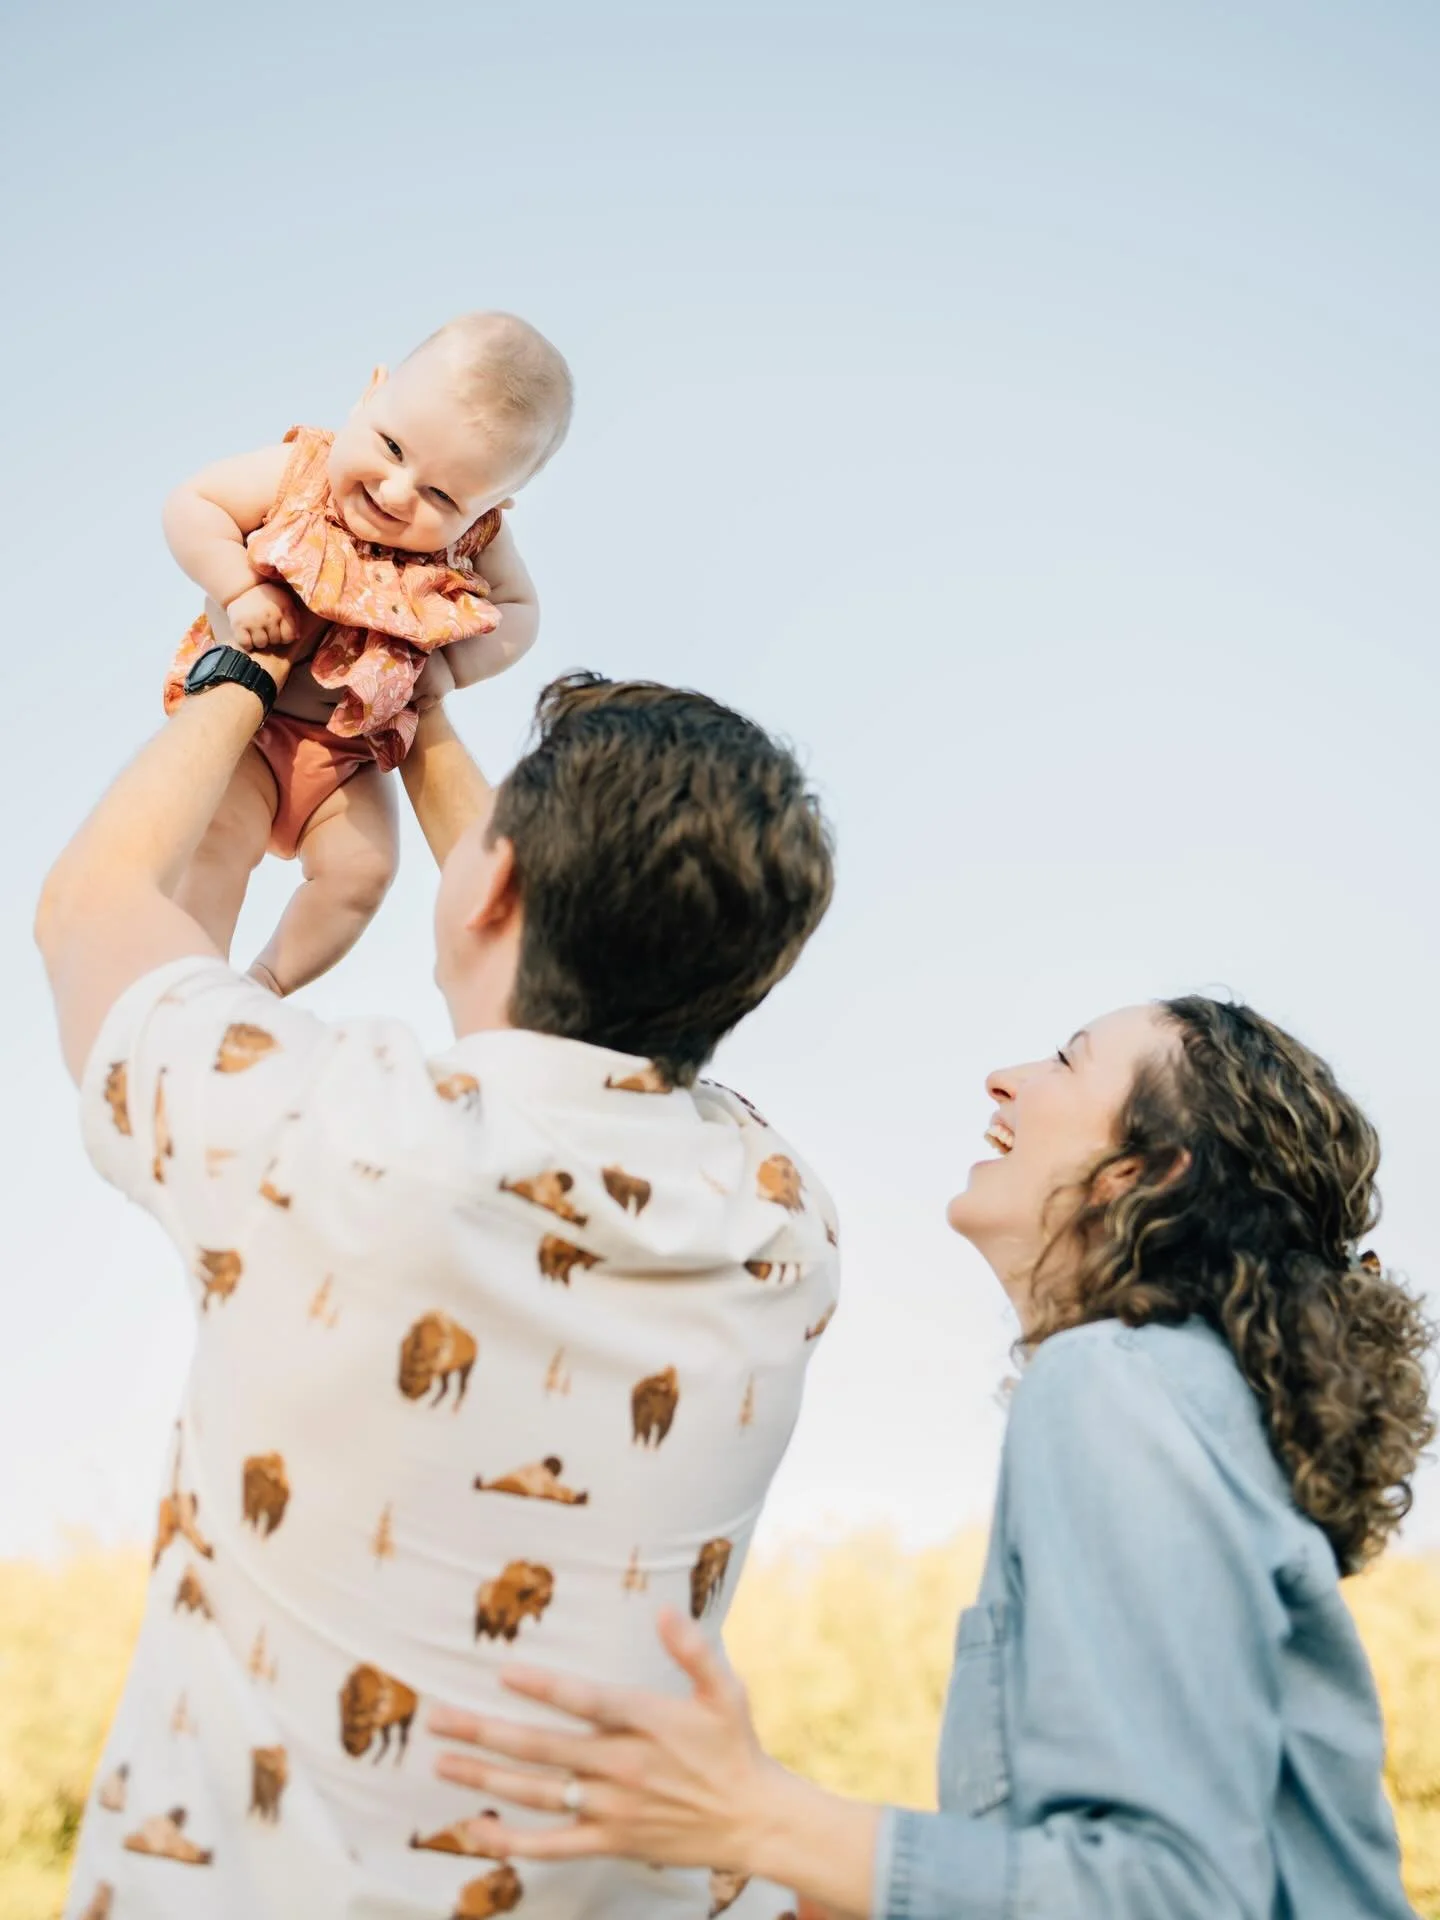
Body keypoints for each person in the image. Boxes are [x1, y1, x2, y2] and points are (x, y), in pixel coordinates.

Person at [35, 627, 837, 1920]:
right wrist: (418, 726)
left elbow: (89, 913)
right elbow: (565, 1007)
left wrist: (239, 672)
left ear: (491, 888)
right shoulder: (777, 1218)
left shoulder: (337, 1134)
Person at [428, 1001, 1436, 1919]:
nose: (1004, 1078)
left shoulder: (1114, 1382)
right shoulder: (1173, 1401)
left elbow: (1165, 1894)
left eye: (1067, 1058)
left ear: (1142, 1173)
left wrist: (754, 1816)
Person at [163, 310, 572, 995]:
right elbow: (193, 502)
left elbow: (522, 616)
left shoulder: (475, 543)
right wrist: (237, 589)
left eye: (442, 494)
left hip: (349, 755)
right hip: (252, 730)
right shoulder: (302, 474)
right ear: (369, 394)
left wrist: (447, 669)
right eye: (390, 446)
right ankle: (192, 982)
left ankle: (262, 986)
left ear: (494, 504)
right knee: (216, 842)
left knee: (363, 873)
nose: (395, 490)